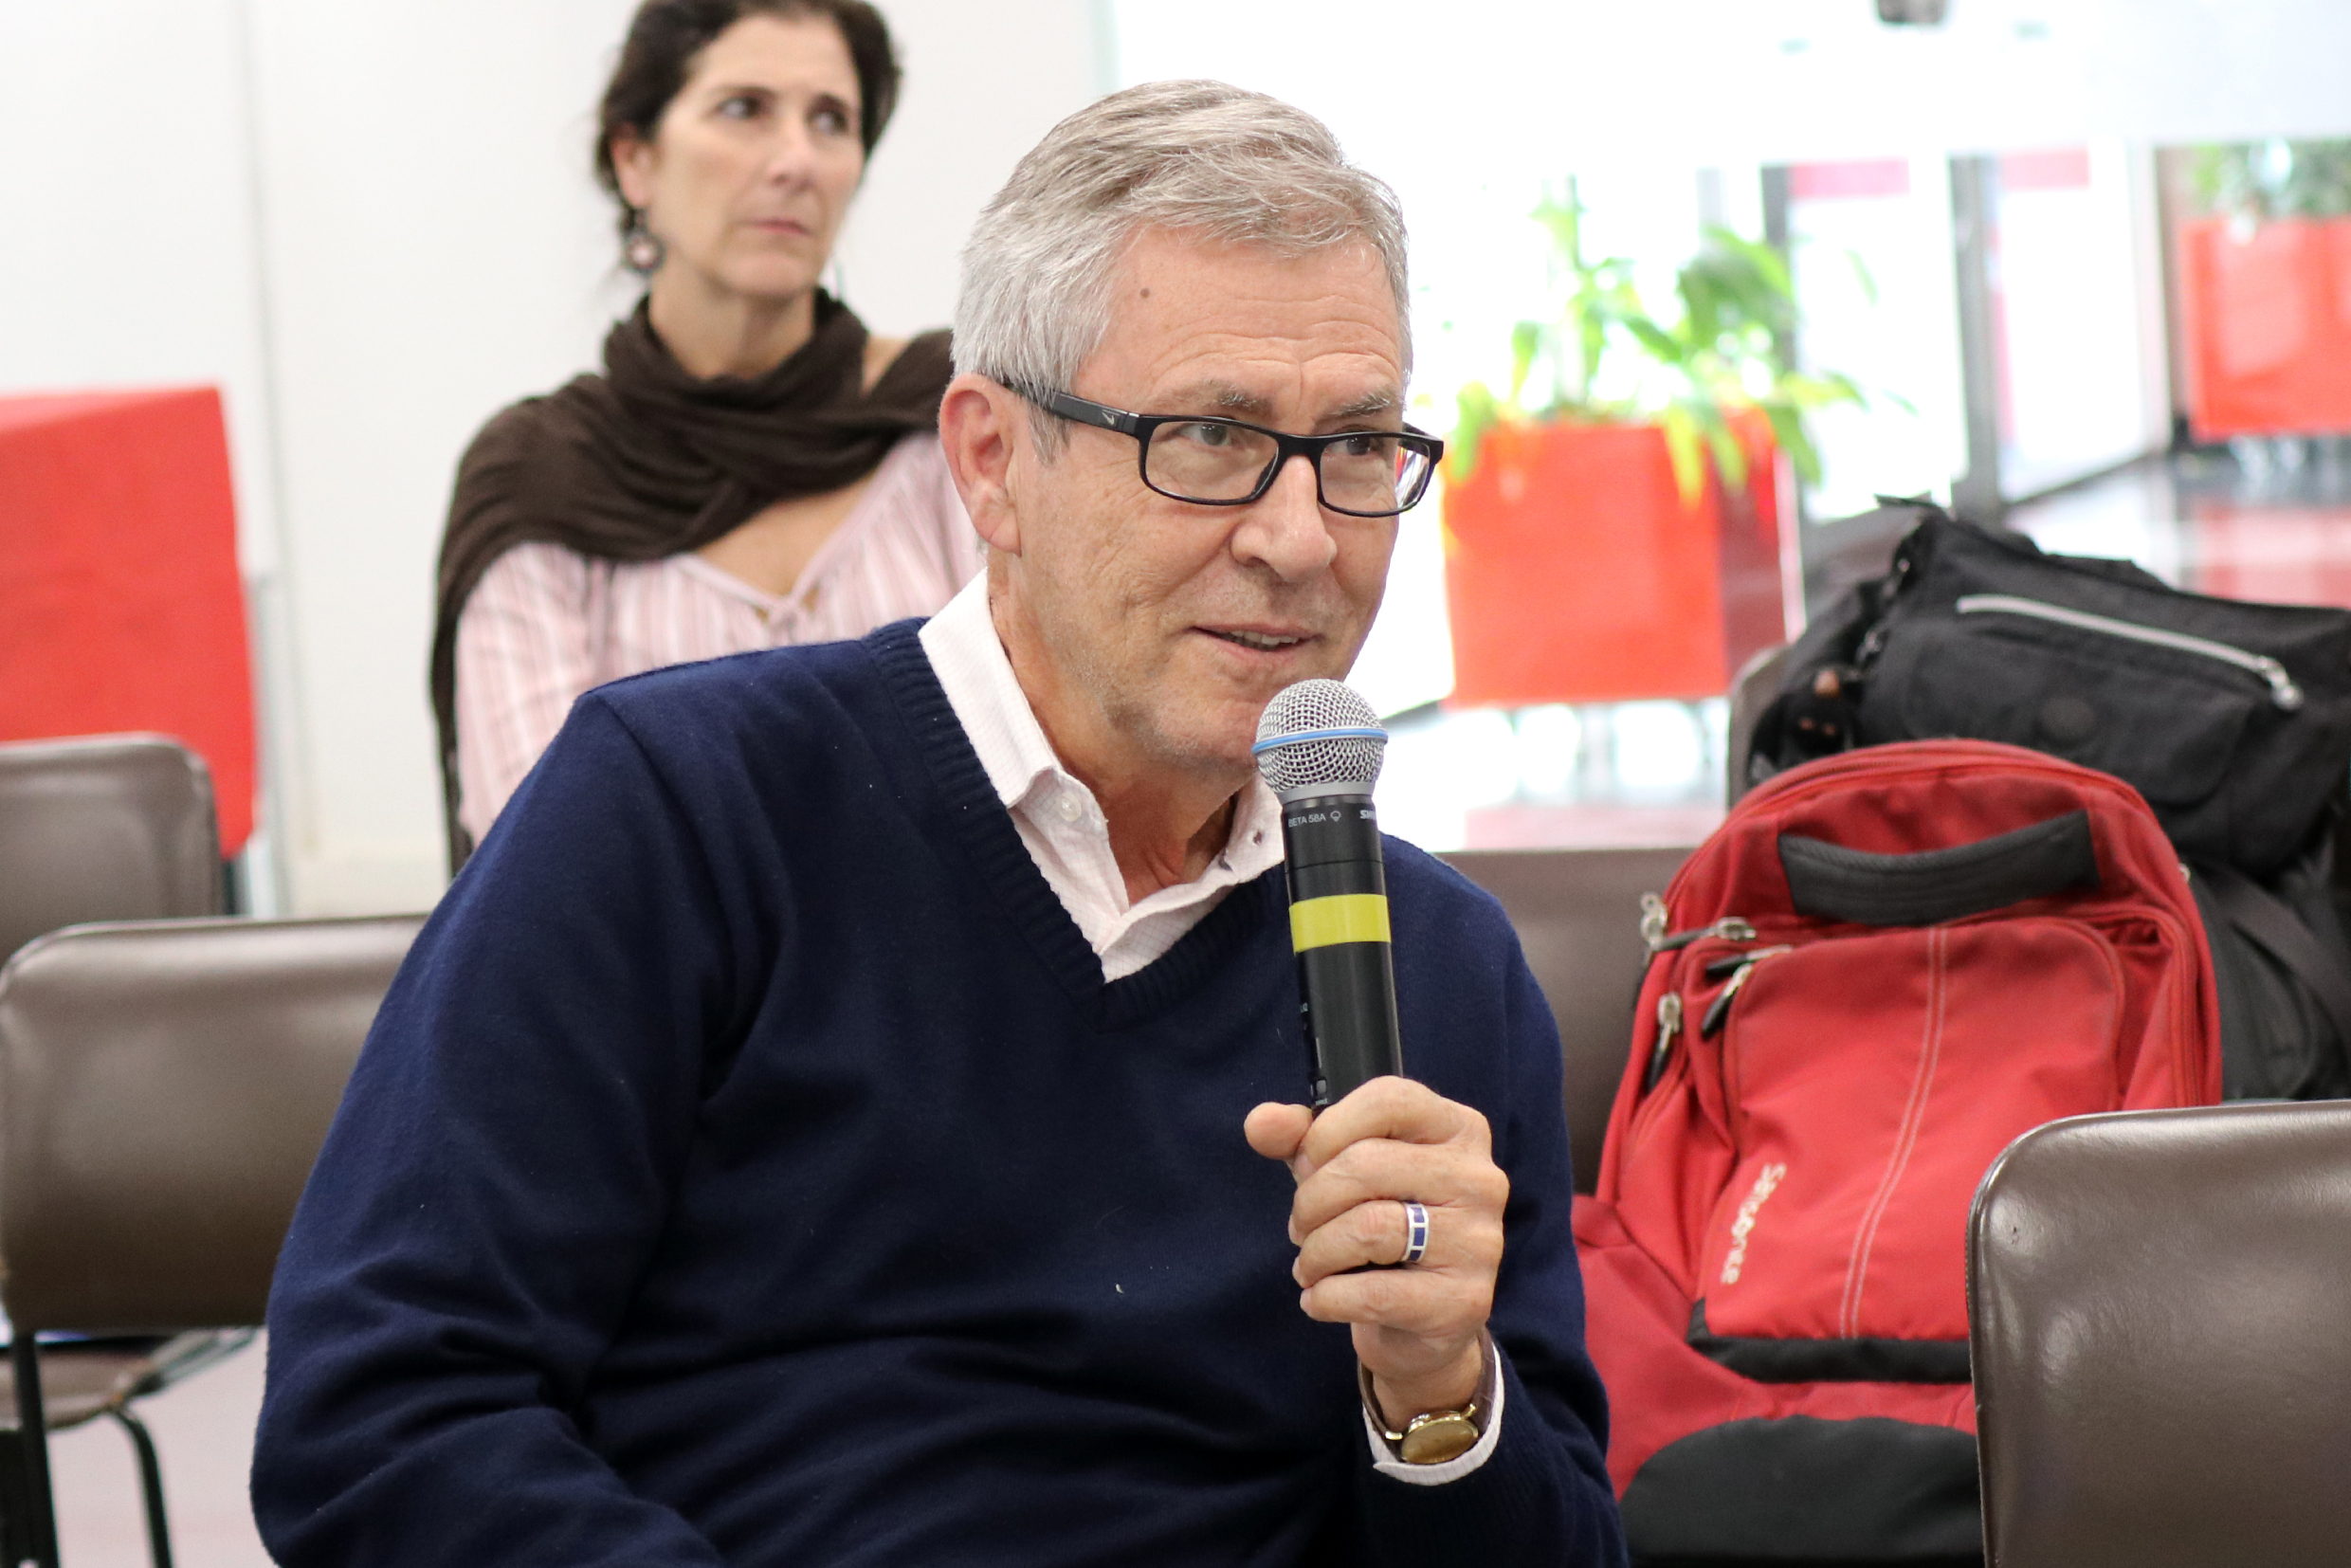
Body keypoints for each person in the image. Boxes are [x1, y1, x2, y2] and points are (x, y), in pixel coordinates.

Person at [256, 81, 1624, 1567]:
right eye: (1210, 435)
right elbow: (386, 1416)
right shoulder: (683, 811)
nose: (1300, 538)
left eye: (1356, 447)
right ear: (989, 462)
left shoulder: (1436, 965)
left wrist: (1437, 1394)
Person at [432, 0, 978, 866]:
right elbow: (542, 856)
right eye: (743, 108)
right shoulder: (542, 476)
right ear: (635, 159)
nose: (796, 160)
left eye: (830, 120)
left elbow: (1051, 764)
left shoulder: (953, 420)